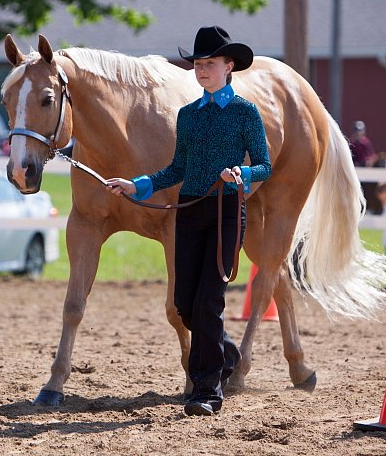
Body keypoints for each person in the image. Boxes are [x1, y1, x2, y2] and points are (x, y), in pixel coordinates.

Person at [105, 26, 271, 416]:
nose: (202, 70)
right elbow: (177, 168)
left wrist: (242, 176)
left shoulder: (246, 113)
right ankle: (226, 354)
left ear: (229, 66)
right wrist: (136, 185)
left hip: (227, 211)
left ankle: (207, 390)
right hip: (191, 210)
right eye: (198, 64)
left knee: (209, 302)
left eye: (210, 63)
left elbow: (264, 165)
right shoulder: (188, 115)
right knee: (184, 305)